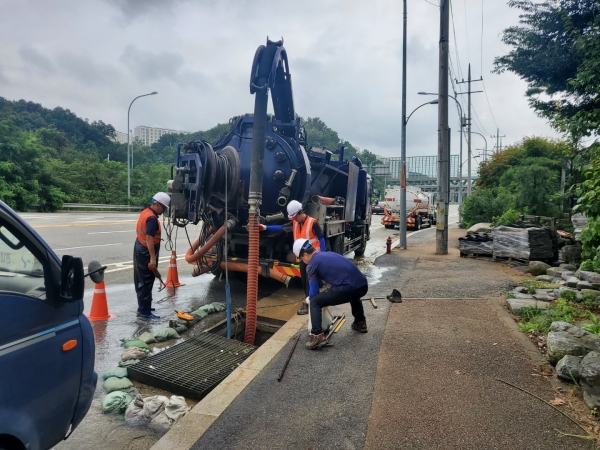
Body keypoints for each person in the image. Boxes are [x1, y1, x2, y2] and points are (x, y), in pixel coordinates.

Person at [293, 239, 369, 350]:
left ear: (305, 254)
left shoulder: (311, 265)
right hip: (362, 285)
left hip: (349, 288)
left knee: (315, 302)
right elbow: (337, 279)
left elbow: (314, 293)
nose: (302, 261)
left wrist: (315, 300)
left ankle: (317, 336)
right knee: (353, 293)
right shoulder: (328, 254)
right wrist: (327, 298)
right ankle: (361, 322)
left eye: (301, 258)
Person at [259, 200, 326, 315]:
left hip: (313, 258)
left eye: (295, 217)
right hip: (302, 258)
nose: (294, 220)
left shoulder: (313, 223)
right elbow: (281, 227)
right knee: (305, 281)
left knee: (311, 281)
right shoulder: (294, 223)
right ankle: (310, 299)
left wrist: (323, 255)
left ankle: (309, 302)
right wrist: (265, 227)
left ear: (300, 213)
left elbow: (321, 239)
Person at [134, 192, 170, 319]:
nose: (164, 211)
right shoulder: (152, 219)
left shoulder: (145, 212)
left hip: (139, 246)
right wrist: (152, 258)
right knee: (146, 281)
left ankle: (143, 306)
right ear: (158, 204)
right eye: (164, 208)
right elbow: (149, 238)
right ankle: (144, 312)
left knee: (140, 279)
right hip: (146, 250)